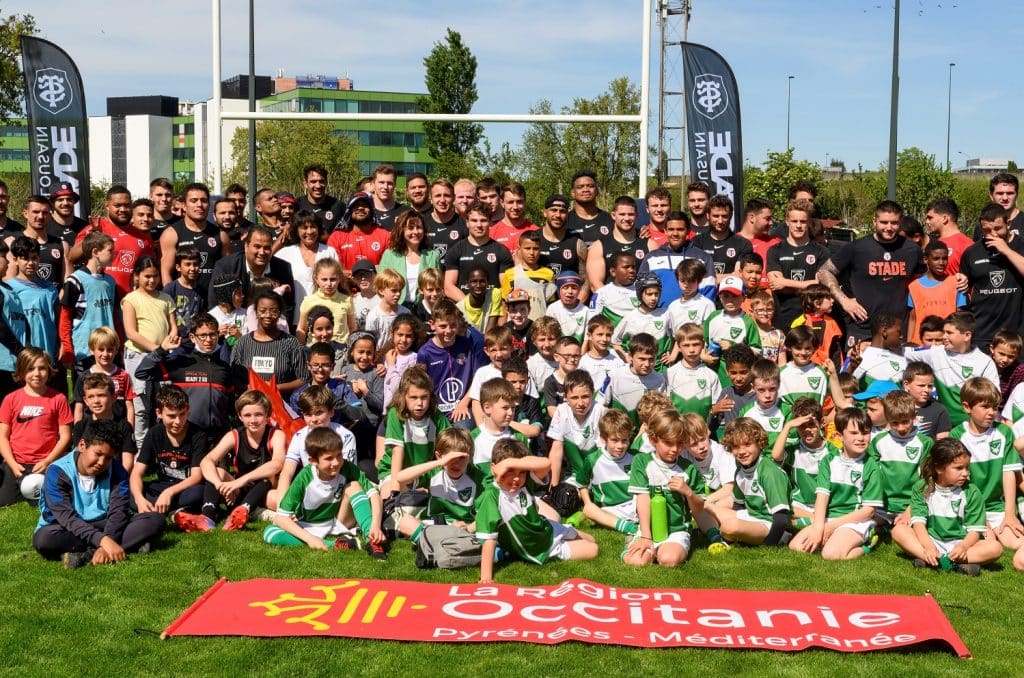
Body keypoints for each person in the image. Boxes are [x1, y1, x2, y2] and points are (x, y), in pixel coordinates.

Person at [33, 419, 164, 568]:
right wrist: (104, 541)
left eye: (108, 458)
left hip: (105, 523)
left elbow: (118, 512)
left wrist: (104, 544)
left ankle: (85, 555)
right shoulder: (57, 472)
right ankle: (129, 545)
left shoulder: (117, 470)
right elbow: (67, 518)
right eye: (98, 454)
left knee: (155, 519)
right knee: (44, 539)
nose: (102, 462)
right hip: (66, 527)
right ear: (82, 445)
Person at [476, 438, 598, 582]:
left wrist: (510, 463)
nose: (516, 478)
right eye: (510, 472)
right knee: (593, 549)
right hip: (542, 548)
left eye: (521, 472)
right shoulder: (492, 496)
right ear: (493, 468)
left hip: (547, 527)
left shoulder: (525, 482)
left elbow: (546, 463)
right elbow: (489, 539)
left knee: (592, 538)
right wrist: (486, 579)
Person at [816, 200, 923, 344]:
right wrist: (844, 300)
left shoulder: (912, 250)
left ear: (900, 222)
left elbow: (924, 281)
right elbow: (824, 271)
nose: (889, 227)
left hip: (897, 330)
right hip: (862, 328)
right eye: (884, 222)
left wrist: (958, 279)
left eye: (894, 223)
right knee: (856, 366)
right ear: (874, 221)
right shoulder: (856, 247)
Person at [891, 438, 1002, 575]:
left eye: (967, 467)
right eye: (959, 468)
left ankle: (932, 561)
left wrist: (963, 546)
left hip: (960, 545)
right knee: (899, 531)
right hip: (930, 540)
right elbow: (918, 523)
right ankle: (949, 563)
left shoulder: (972, 492)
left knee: (995, 548)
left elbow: (975, 530)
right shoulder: (921, 488)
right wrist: (928, 546)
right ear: (939, 468)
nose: (965, 473)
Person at [263, 427, 382, 554]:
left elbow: (374, 495)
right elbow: (282, 517)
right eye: (329, 458)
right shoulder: (304, 477)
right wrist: (309, 539)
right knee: (269, 533)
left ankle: (372, 540)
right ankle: (336, 545)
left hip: (338, 521)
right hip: (308, 525)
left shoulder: (347, 467)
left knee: (354, 486)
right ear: (313, 461)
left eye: (339, 455)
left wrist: (375, 525)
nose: (336, 462)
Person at [789, 407, 882, 560]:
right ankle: (834, 540)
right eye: (854, 433)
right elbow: (821, 498)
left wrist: (831, 527)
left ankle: (867, 546)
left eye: (865, 432)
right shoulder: (829, 460)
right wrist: (819, 528)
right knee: (796, 546)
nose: (861, 438)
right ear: (839, 436)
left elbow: (869, 511)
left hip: (855, 521)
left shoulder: (871, 466)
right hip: (829, 518)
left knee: (830, 554)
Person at [624, 409, 707, 567]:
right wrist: (646, 536)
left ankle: (664, 548)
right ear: (653, 439)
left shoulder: (688, 469)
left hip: (676, 530)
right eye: (668, 443)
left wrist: (688, 492)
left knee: (669, 560)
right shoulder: (641, 462)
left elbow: (699, 508)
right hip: (648, 529)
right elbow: (642, 500)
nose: (675, 449)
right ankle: (636, 541)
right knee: (636, 562)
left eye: (679, 443)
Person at [949, 377, 1024, 551]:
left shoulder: (1004, 432)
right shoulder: (957, 435)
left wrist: (1009, 514)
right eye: (984, 407)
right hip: (968, 507)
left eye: (995, 407)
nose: (991, 412)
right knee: (988, 543)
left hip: (996, 507)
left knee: (1017, 542)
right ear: (967, 407)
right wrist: (976, 515)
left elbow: (1009, 474)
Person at [135, 314, 234, 443]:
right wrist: (161, 350)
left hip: (217, 438)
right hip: (187, 438)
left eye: (212, 334)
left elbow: (231, 404)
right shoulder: (181, 362)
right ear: (193, 337)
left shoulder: (224, 367)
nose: (208, 340)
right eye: (203, 335)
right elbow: (142, 372)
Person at [198, 390, 286, 530]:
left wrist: (241, 480)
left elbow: (277, 464)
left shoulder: (276, 435)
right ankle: (207, 518)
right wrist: (219, 484)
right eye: (247, 415)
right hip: (238, 491)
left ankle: (244, 511)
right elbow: (207, 461)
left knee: (275, 493)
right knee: (219, 472)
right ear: (240, 416)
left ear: (267, 415)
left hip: (264, 491)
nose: (253, 420)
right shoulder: (234, 435)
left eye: (258, 414)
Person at [0, 348, 73, 506]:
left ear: (49, 370)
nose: (37, 374)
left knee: (49, 500)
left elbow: (66, 436)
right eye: (30, 369)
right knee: (4, 500)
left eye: (42, 368)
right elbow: (2, 436)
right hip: (17, 462)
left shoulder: (58, 398)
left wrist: (48, 461)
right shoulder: (10, 399)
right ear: (21, 371)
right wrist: (12, 464)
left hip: (46, 461)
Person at [904, 311, 999, 428]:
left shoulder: (985, 363)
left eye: (949, 333)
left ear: (967, 335)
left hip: (973, 428)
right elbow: (901, 352)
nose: (944, 336)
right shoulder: (936, 352)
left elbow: (994, 397)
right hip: (944, 426)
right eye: (944, 332)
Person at [707, 417, 791, 546]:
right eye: (735, 447)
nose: (741, 452)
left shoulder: (769, 472)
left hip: (770, 525)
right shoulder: (740, 469)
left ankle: (781, 539)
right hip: (750, 517)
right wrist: (740, 521)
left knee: (729, 527)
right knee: (706, 508)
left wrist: (769, 545)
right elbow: (738, 505)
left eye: (747, 444)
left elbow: (781, 517)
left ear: (759, 443)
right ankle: (720, 533)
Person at [121, 256, 176, 450]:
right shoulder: (131, 299)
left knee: (163, 402)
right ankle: (140, 451)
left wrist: (172, 339)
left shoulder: (165, 299)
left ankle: (162, 447)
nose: (151, 281)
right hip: (138, 356)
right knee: (141, 406)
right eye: (147, 276)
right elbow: (131, 332)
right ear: (137, 276)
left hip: (162, 357)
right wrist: (156, 348)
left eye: (155, 277)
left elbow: (173, 327)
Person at [272, 386, 358, 510]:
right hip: (311, 489)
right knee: (272, 496)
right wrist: (282, 508)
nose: (314, 420)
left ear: (331, 412)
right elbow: (287, 473)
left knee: (354, 492)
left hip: (338, 491)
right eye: (308, 414)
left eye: (319, 413)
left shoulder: (346, 436)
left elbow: (348, 474)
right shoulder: (299, 436)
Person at [130, 385, 206, 524]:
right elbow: (137, 472)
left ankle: (158, 510)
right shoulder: (154, 433)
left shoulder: (198, 435)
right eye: (171, 416)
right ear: (159, 413)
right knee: (129, 492)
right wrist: (139, 499)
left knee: (200, 492)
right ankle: (173, 511)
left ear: (188, 410)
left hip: (185, 488)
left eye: (182, 414)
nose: (177, 422)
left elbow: (196, 476)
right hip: (161, 485)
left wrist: (169, 493)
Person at [959, 202, 1024, 351]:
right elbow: (963, 290)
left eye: (997, 228)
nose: (993, 234)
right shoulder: (972, 252)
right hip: (983, 333)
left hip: (1016, 334)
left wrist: (1006, 250)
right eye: (987, 230)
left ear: (1008, 223)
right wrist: (961, 282)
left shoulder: (1021, 246)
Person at [70, 188, 154, 300]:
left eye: (127, 205)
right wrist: (90, 239)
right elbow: (72, 257)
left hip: (131, 301)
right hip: (99, 298)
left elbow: (149, 270)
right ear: (107, 205)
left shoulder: (143, 237)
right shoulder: (96, 228)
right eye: (117, 205)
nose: (123, 209)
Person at [377, 366, 450, 494]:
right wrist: (395, 489)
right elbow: (397, 452)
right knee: (388, 496)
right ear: (403, 396)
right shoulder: (396, 415)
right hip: (394, 472)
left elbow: (450, 445)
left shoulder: (436, 416)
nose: (419, 403)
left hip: (423, 475)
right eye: (413, 397)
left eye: (424, 397)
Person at [416, 299, 483, 425]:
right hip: (436, 411)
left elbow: (477, 378)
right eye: (443, 326)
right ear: (432, 324)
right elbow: (421, 386)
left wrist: (464, 403)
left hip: (463, 408)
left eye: (453, 325)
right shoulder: (425, 353)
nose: (448, 331)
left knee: (463, 429)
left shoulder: (466, 345)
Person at [230, 291, 308, 396]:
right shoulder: (242, 343)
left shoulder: (291, 343)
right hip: (251, 406)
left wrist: (274, 388)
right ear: (256, 313)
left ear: (280, 313)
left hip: (281, 406)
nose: (268, 315)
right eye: (263, 310)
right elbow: (233, 378)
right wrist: (252, 387)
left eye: (273, 311)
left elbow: (303, 378)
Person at [766, 199, 829, 331]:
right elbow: (775, 285)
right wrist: (808, 286)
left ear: (809, 222)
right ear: (787, 222)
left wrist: (785, 283)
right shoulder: (775, 250)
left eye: (803, 221)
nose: (799, 225)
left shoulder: (821, 251)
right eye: (794, 221)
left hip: (812, 319)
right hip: (782, 318)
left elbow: (820, 286)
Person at [207, 226, 296, 318]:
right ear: (246, 246)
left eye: (267, 248)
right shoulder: (226, 266)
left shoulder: (283, 268)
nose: (262, 252)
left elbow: (287, 306)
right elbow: (215, 303)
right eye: (257, 246)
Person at [274, 210, 339, 326]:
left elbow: (338, 284)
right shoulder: (285, 253)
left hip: (324, 321)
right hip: (294, 320)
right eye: (304, 227)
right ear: (296, 230)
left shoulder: (329, 252)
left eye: (313, 227)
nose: (309, 232)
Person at [158, 183, 228, 290]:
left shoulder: (221, 235)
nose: (199, 204)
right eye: (194, 201)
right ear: (184, 206)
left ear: (209, 204)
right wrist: (171, 299)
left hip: (213, 301)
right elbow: (166, 271)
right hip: (183, 301)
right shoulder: (171, 234)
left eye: (204, 200)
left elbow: (228, 270)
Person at [772, 397, 830, 524]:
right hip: (800, 505)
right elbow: (776, 455)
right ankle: (817, 520)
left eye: (811, 425)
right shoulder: (795, 449)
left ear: (822, 423)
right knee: (783, 507)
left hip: (827, 504)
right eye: (801, 426)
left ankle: (807, 522)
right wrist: (788, 426)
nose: (807, 430)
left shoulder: (833, 451)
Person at [639, 210, 717, 303]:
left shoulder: (702, 258)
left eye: (680, 229)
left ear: (688, 231)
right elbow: (640, 288)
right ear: (665, 231)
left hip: (692, 316)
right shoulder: (651, 258)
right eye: (671, 229)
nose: (675, 234)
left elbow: (709, 290)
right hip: (659, 316)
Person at [442, 202, 513, 301]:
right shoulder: (456, 250)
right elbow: (448, 287)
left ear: (490, 222)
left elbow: (506, 287)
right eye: (474, 220)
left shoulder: (501, 251)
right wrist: (469, 305)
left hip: (492, 309)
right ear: (467, 222)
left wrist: (488, 303)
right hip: (464, 310)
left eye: (483, 220)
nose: (479, 225)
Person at [8, 236, 60, 368]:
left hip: (47, 356)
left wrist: (62, 345)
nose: (30, 263)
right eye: (25, 258)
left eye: (34, 258)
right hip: (20, 359)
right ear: (15, 260)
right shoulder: (8, 290)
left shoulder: (50, 290)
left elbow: (59, 322)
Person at [547, 369, 604, 487]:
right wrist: (553, 486)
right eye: (574, 398)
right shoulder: (561, 412)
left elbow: (602, 452)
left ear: (593, 393)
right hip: (574, 475)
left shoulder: (600, 411)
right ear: (565, 397)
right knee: (564, 500)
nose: (580, 403)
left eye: (585, 396)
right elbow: (557, 449)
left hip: (598, 473)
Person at [72, 327, 135, 426]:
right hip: (90, 428)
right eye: (101, 349)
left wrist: (130, 429)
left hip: (117, 427)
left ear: (116, 350)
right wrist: (77, 430)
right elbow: (79, 405)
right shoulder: (84, 377)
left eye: (110, 350)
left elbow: (130, 406)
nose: (105, 354)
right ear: (92, 350)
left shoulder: (124, 375)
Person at [907, 240, 965, 345]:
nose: (941, 263)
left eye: (944, 258)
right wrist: (909, 344)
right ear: (926, 259)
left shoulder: (956, 283)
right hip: (921, 344)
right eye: (936, 259)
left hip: (946, 343)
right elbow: (912, 319)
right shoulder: (914, 286)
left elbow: (959, 316)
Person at [604, 333, 667, 428]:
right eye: (642, 359)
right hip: (619, 435)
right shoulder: (614, 375)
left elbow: (662, 411)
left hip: (646, 434)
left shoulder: (659, 379)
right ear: (630, 356)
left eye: (651, 359)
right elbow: (602, 405)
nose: (647, 364)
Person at [378, 210, 440, 304]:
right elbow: (380, 284)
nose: (415, 232)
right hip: (396, 308)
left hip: (423, 310)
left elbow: (437, 286)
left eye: (419, 227)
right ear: (402, 230)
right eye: (410, 228)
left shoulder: (432, 256)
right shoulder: (389, 255)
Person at [585, 196, 648, 289]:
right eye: (622, 214)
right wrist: (614, 301)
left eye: (631, 214)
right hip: (610, 301)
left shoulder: (649, 244)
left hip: (640, 301)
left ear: (637, 216)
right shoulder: (599, 246)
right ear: (613, 215)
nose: (626, 218)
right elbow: (595, 284)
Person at [666, 323, 721, 421]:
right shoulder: (669, 374)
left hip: (701, 432)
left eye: (696, 344)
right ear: (678, 346)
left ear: (703, 345)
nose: (691, 350)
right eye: (686, 345)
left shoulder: (711, 376)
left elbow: (715, 408)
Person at [471, 378, 523, 481]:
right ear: (487, 407)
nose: (510, 413)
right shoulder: (471, 440)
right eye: (505, 408)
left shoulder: (519, 438)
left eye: (513, 408)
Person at [296, 258, 354, 348]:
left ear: (339, 278)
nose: (329, 284)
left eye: (333, 279)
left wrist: (350, 348)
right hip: (315, 350)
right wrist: (300, 351)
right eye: (324, 279)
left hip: (341, 352)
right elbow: (302, 329)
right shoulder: (308, 301)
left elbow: (352, 327)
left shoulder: (346, 300)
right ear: (316, 279)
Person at [536, 194, 589, 294]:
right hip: (539, 301)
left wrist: (580, 299)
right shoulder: (534, 239)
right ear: (545, 213)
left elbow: (587, 278)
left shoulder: (577, 242)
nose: (558, 215)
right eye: (553, 210)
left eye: (562, 211)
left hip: (569, 304)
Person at [13, 195, 69, 288]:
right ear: (25, 213)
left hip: (55, 301)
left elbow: (67, 286)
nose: (40, 216)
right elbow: (9, 283)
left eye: (45, 213)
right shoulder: (12, 242)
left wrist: (56, 301)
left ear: (50, 216)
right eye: (36, 212)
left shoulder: (62, 245)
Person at [692, 195, 752, 279]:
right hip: (704, 292)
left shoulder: (743, 244)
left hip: (730, 291)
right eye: (716, 216)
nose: (720, 221)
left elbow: (738, 276)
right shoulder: (697, 242)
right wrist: (729, 275)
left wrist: (708, 278)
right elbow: (696, 276)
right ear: (708, 215)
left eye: (724, 216)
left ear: (731, 216)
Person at [163, 247, 205, 347]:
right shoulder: (170, 289)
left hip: (195, 343)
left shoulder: (202, 291)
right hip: (175, 342)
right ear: (178, 267)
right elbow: (164, 316)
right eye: (187, 264)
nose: (192, 268)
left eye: (195, 264)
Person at [736, 198, 779, 288]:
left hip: (768, 300)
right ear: (752, 218)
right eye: (767, 219)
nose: (771, 223)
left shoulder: (776, 243)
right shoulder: (732, 242)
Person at [901, 362, 950, 440]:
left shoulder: (939, 410)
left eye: (930, 386)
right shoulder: (896, 407)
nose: (926, 390)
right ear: (906, 384)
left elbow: (943, 443)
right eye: (921, 385)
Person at [923, 197, 972, 276]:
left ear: (944, 218)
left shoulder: (966, 245)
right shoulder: (933, 243)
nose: (927, 222)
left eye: (930, 218)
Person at [579, 314, 623, 397]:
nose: (604, 339)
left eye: (608, 335)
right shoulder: (582, 363)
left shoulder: (617, 360)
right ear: (589, 336)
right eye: (600, 334)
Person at [422, 178, 467, 259]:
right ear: (431, 198)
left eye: (447, 195)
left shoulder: (464, 224)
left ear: (453, 198)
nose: (442, 200)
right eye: (438, 195)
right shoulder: (422, 223)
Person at [566, 171, 614, 245]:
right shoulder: (565, 221)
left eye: (590, 186)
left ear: (597, 191)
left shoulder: (610, 219)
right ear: (573, 193)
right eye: (580, 187)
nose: (586, 190)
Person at [296, 163, 344, 232]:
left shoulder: (338, 206)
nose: (318, 186)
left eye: (321, 181)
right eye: (313, 182)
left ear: (326, 182)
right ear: (305, 184)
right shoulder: (297, 205)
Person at [546, 271, 589, 343]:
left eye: (574, 288)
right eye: (565, 288)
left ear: (579, 291)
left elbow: (587, 339)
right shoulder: (553, 309)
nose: (570, 291)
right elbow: (549, 335)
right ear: (559, 290)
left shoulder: (586, 311)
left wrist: (581, 353)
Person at [46, 181, 89, 247]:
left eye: (69, 199)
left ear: (74, 201)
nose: (65, 203)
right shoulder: (44, 227)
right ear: (52, 203)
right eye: (60, 200)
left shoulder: (85, 227)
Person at [370, 164, 409, 230]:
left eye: (390, 183)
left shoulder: (406, 212)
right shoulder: (366, 213)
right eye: (381, 182)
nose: (385, 187)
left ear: (395, 185)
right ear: (373, 184)